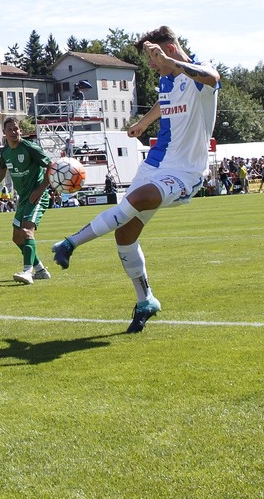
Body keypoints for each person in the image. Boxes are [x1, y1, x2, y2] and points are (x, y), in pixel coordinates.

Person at [53, 27, 219, 332]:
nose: (151, 65)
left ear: (169, 49)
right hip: (155, 164)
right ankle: (146, 301)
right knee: (125, 236)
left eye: (153, 58)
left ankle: (71, 243)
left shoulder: (197, 75)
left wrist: (175, 62)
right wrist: (144, 122)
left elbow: (212, 77)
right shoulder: (165, 80)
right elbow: (166, 104)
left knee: (139, 199)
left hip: (186, 172)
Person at [0, 116, 55, 285]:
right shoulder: (5, 152)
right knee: (17, 238)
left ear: (20, 131)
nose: (13, 132)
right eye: (10, 129)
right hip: (23, 198)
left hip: (37, 196)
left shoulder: (30, 147)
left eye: (16, 129)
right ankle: (40, 270)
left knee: (26, 231)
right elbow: (2, 170)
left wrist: (40, 189)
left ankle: (27, 272)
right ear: (4, 133)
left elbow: (51, 166)